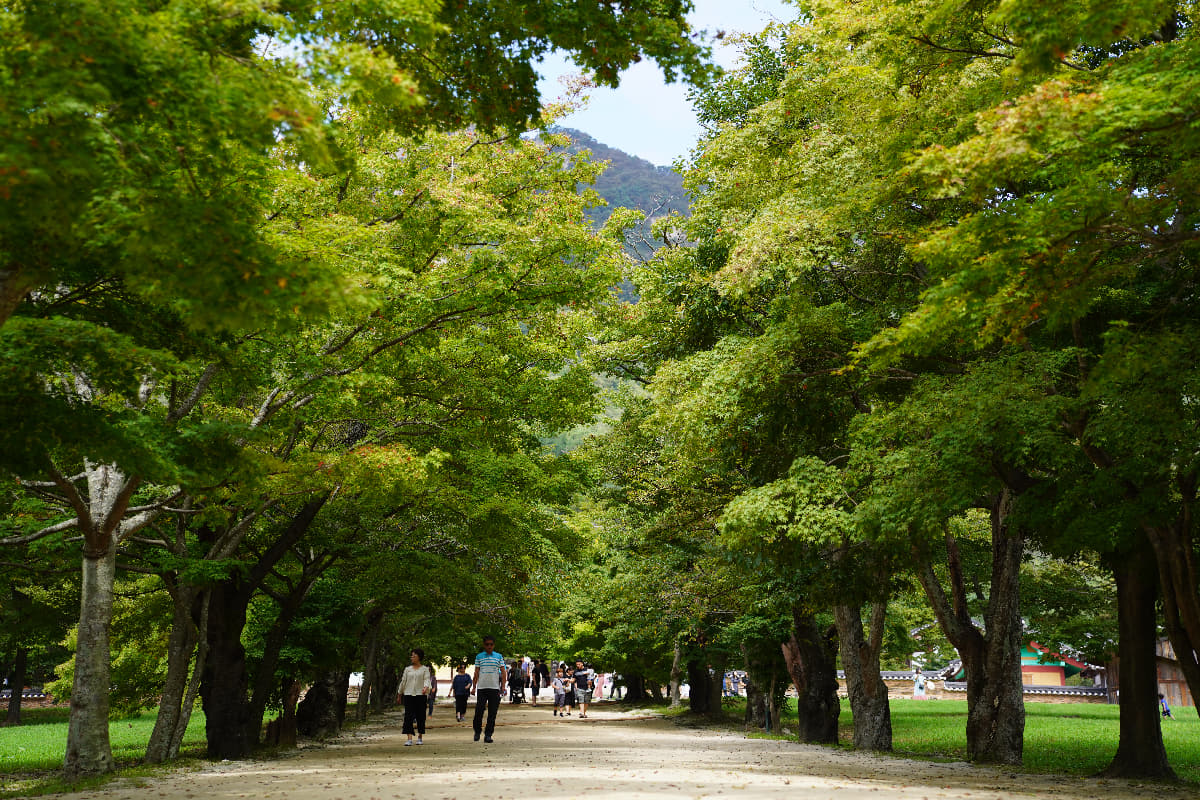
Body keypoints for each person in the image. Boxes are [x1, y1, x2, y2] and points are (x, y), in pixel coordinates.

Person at [471, 635, 507, 743]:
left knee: (492, 713)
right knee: (479, 710)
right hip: (482, 688)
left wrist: (503, 687)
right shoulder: (479, 656)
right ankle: (477, 731)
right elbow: (476, 672)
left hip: (494, 688)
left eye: (491, 644)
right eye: (487, 644)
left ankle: (488, 735)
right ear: (484, 645)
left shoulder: (498, 656)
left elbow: (503, 672)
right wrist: (473, 687)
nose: (489, 646)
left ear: (494, 645)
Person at [399, 648, 432, 746]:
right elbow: (403, 682)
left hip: (420, 695)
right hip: (408, 694)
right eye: (411, 655)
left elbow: (427, 680)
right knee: (408, 717)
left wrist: (426, 687)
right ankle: (409, 738)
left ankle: (420, 737)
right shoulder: (407, 669)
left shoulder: (425, 669)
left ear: (419, 657)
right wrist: (399, 693)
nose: (412, 657)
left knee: (420, 716)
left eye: (414, 655)